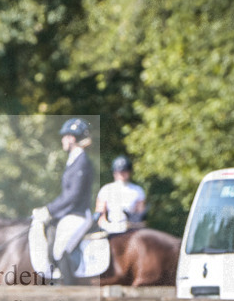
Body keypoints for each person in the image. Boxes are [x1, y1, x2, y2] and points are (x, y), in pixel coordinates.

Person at [31, 117, 94, 284]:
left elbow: (73, 195)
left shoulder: (81, 161)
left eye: (64, 137)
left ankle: (70, 290)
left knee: (59, 248)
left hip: (79, 215)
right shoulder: (73, 160)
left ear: (72, 138)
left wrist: (49, 210)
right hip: (69, 214)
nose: (62, 140)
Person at [95, 155, 147, 233]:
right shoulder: (105, 189)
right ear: (114, 172)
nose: (122, 174)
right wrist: (107, 226)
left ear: (129, 172)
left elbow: (140, 216)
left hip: (130, 228)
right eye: (119, 171)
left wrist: (132, 225)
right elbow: (100, 215)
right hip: (110, 227)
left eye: (125, 171)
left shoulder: (138, 191)